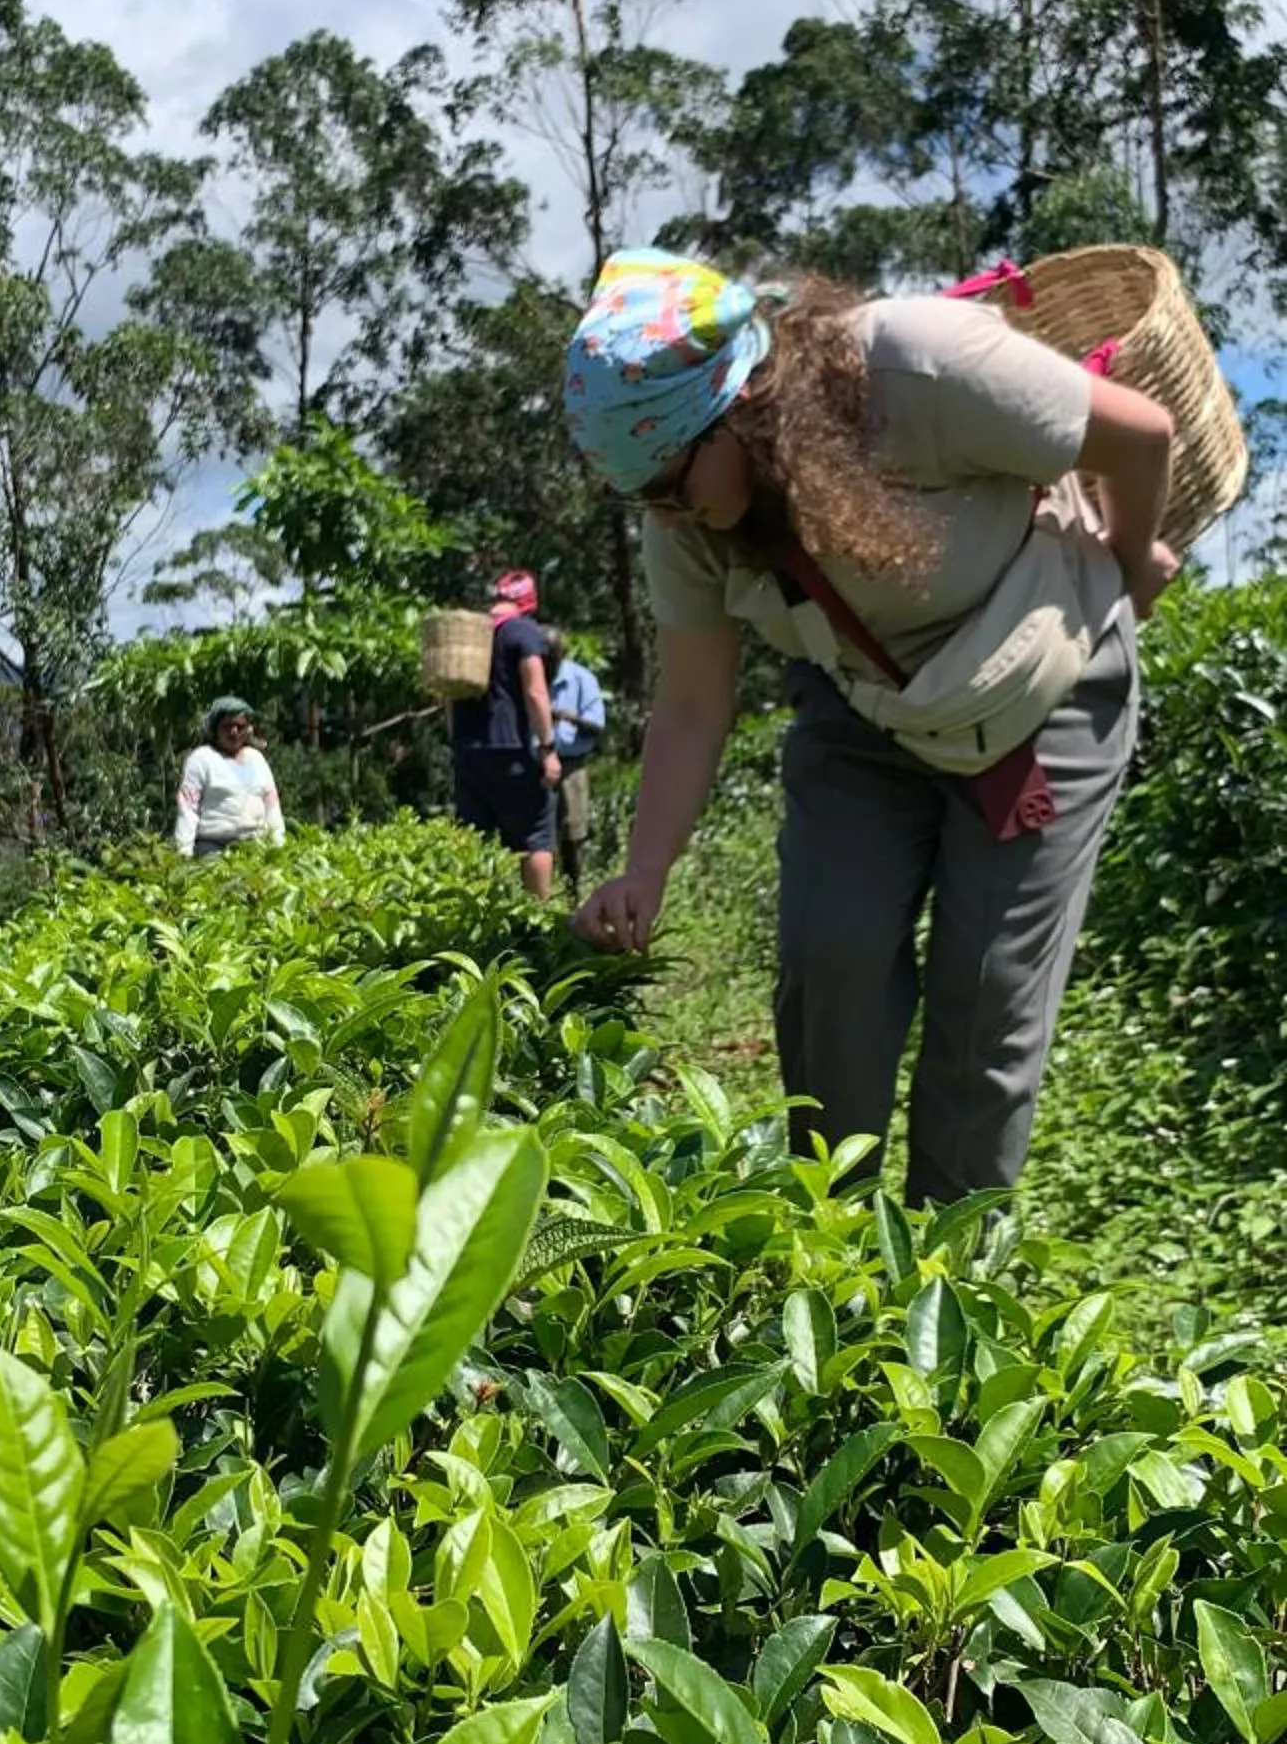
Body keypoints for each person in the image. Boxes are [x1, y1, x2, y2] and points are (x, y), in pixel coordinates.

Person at [563, 250, 1178, 1207]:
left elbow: (1141, 436)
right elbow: (692, 701)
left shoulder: (915, 369)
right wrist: (646, 869)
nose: (668, 512)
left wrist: (1131, 568)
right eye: (646, 496)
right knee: (829, 962)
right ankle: (834, 1248)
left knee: (987, 1002)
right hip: (865, 708)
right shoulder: (682, 512)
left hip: (1040, 686)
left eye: (674, 482)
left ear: (738, 406)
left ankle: (944, 1279)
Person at [449, 569, 562, 899]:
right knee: (536, 835)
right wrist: (548, 747)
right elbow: (536, 691)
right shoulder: (523, 631)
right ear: (528, 602)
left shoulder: (472, 635)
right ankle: (537, 918)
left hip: (468, 749)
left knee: (473, 838)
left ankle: (471, 917)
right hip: (510, 749)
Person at [175, 695, 285, 860]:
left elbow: (272, 806)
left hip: (255, 846)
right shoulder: (201, 759)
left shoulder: (256, 759)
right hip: (212, 848)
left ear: (247, 730)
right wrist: (183, 851)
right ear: (215, 729)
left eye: (240, 726)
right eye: (227, 726)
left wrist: (279, 846)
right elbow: (188, 809)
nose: (234, 732)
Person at [545, 629, 608, 900]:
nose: (546, 663)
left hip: (571, 765)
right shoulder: (530, 674)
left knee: (572, 834)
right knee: (540, 837)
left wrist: (567, 717)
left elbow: (597, 726)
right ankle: (542, 897)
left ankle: (573, 896)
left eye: (552, 657)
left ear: (563, 654)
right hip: (538, 764)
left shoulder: (582, 679)